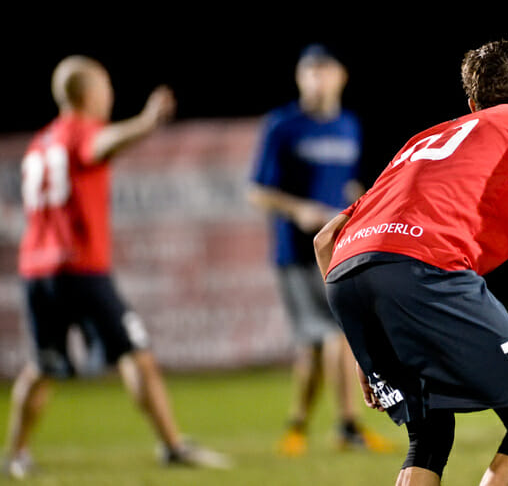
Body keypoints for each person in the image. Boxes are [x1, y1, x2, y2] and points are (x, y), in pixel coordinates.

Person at [313, 40, 508, 485]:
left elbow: (327, 239)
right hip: (423, 268)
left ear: (472, 104)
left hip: (348, 276)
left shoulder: (424, 139)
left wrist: (363, 344)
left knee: (430, 434)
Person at [4, 55, 231, 479]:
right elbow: (99, 145)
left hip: (36, 270)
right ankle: (173, 446)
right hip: (79, 268)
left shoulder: (42, 140)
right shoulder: (79, 132)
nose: (109, 93)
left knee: (43, 364)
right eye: (105, 85)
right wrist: (146, 121)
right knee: (136, 353)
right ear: (86, 93)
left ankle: (15, 453)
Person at [247, 43, 394, 456]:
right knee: (337, 332)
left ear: (341, 76)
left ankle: (297, 426)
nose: (316, 78)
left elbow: (345, 184)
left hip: (338, 246)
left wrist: (360, 202)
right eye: (308, 71)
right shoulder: (283, 125)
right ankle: (348, 425)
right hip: (295, 251)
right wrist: (299, 210)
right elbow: (257, 191)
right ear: (299, 78)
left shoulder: (348, 124)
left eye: (323, 70)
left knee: (314, 343)